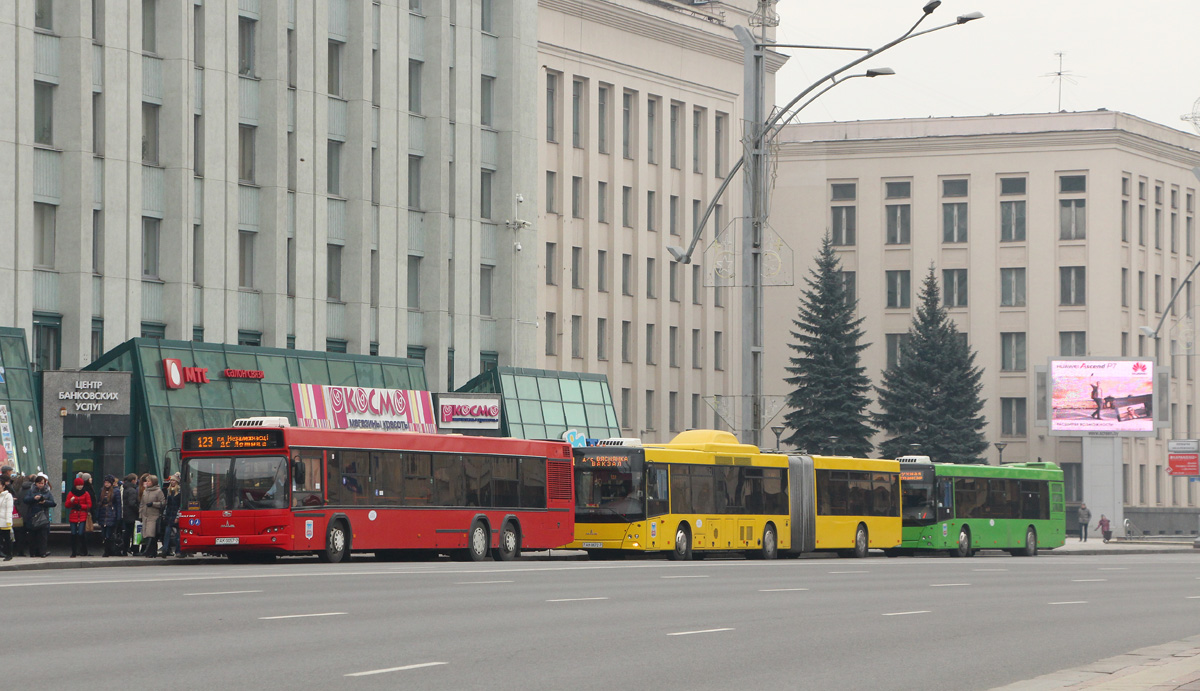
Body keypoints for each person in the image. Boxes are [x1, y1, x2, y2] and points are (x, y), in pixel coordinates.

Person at [22, 473, 55, 558]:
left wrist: (45, 502)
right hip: (33, 515)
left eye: (42, 483)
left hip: (43, 516)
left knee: (43, 536)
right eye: (39, 483)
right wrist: (34, 498)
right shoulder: (31, 491)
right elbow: (25, 500)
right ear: (36, 483)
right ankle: (32, 552)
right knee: (32, 535)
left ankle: (42, 552)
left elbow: (53, 503)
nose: (41, 485)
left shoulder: (47, 492)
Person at [64, 477, 93, 557]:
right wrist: (71, 501)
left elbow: (89, 505)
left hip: (83, 515)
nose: (80, 487)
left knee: (81, 533)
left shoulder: (86, 493)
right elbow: (66, 505)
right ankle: (74, 552)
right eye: (78, 485)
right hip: (73, 514)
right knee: (73, 533)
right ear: (75, 485)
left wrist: (81, 506)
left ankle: (84, 550)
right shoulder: (71, 493)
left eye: (81, 485)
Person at [139, 475, 167, 558]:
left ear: (153, 482)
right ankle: (151, 552)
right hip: (145, 515)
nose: (147, 483)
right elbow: (142, 504)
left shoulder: (158, 491)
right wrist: (140, 514)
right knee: (146, 534)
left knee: (151, 534)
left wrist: (153, 504)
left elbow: (163, 503)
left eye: (149, 481)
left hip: (154, 515)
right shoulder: (145, 491)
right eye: (147, 481)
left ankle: (149, 551)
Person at [96, 475, 122, 557]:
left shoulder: (116, 491)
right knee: (103, 533)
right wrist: (97, 514)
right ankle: (107, 549)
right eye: (105, 482)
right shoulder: (102, 491)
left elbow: (118, 504)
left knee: (109, 533)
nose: (106, 484)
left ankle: (107, 551)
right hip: (103, 514)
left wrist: (118, 516)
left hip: (111, 514)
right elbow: (99, 502)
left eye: (108, 482)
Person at [162, 473, 182, 557]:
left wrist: (178, 516)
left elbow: (180, 505)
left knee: (178, 534)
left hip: (175, 514)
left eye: (173, 480)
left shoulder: (180, 492)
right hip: (169, 514)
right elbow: (167, 504)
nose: (172, 481)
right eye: (171, 480)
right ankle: (165, 549)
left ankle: (178, 551)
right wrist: (164, 514)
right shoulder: (169, 491)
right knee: (167, 533)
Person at [120, 473, 140, 556]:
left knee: (127, 533)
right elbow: (132, 503)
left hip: (126, 514)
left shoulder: (125, 488)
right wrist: (138, 510)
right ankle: (134, 550)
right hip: (132, 515)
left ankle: (125, 549)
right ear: (133, 480)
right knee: (134, 533)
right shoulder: (132, 490)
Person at [0, 477, 13, 561]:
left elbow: (9, 509)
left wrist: (8, 521)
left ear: (3, 486)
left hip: (5, 521)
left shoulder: (8, 496)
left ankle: (9, 554)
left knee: (7, 538)